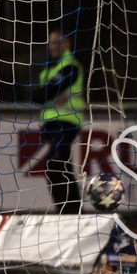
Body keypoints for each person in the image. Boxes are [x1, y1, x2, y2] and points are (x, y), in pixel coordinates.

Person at [32, 29, 86, 213]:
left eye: (58, 42)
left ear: (67, 43)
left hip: (67, 122)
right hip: (51, 125)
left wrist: (48, 94)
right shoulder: (50, 68)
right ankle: (68, 212)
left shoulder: (70, 66)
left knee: (55, 163)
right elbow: (38, 95)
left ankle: (71, 212)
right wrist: (49, 95)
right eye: (51, 42)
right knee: (59, 166)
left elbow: (44, 93)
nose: (54, 46)